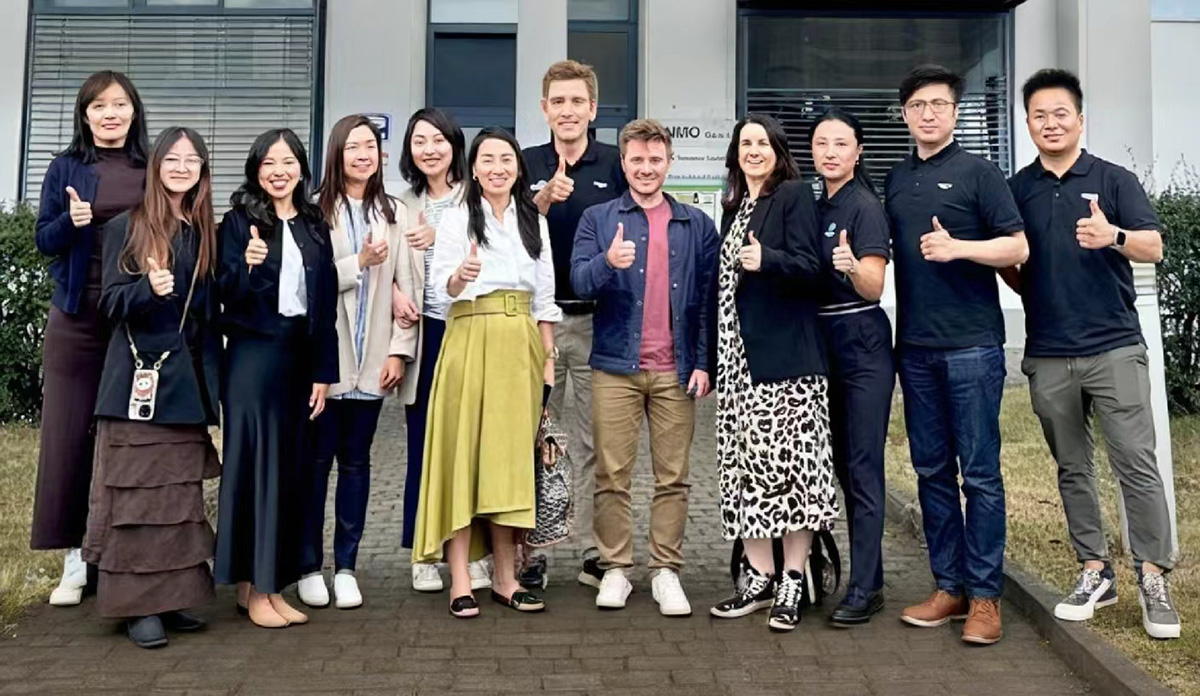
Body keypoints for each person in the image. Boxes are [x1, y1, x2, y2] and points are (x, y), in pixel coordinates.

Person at [1005, 68, 1179, 640]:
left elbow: (1154, 247)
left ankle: (1152, 575)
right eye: (1039, 115)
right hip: (1049, 352)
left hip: (1114, 347)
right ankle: (1095, 570)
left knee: (1136, 462)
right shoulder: (1017, 189)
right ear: (1027, 123)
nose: (1050, 123)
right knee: (1072, 467)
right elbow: (1012, 261)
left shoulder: (1114, 179)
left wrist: (1116, 238)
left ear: (1080, 119)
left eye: (1061, 113)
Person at [885, 65, 1028, 645]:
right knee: (931, 472)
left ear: (954, 112)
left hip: (972, 345)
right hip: (915, 348)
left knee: (982, 475)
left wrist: (959, 248)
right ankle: (950, 587)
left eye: (939, 104)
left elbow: (1016, 246)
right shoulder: (896, 179)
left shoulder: (981, 173)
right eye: (918, 105)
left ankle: (986, 597)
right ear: (904, 114)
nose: (928, 114)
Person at [570, 119, 717, 617]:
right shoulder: (598, 218)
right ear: (624, 162)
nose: (647, 168)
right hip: (615, 367)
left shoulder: (696, 224)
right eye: (637, 159)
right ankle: (615, 567)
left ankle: (665, 570)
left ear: (669, 162)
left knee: (673, 476)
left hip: (677, 369)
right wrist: (607, 262)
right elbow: (578, 281)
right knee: (612, 473)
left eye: (656, 159)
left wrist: (704, 363)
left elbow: (707, 301)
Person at [413, 127, 562, 619]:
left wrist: (547, 357)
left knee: (508, 463)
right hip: (468, 336)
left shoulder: (533, 220)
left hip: (519, 344)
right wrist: (461, 277)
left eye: (506, 159)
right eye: (488, 159)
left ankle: (505, 578)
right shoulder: (457, 216)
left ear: (518, 167)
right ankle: (460, 578)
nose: (498, 168)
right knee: (462, 458)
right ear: (473, 169)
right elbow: (441, 290)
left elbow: (544, 296)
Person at [84, 126, 220, 648]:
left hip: (185, 385)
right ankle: (136, 607)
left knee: (178, 500)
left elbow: (207, 317)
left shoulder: (202, 233)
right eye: (173, 158)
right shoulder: (127, 226)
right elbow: (110, 302)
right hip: (135, 382)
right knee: (136, 502)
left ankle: (171, 597)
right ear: (157, 165)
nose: (182, 168)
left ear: (202, 171)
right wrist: (147, 287)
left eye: (192, 160)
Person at [708, 114, 840, 633]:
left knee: (792, 474)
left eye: (763, 142)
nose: (754, 150)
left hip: (785, 366)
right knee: (746, 472)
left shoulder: (792, 195)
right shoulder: (734, 207)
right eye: (746, 143)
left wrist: (769, 259)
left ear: (778, 151)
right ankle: (759, 576)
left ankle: (792, 577)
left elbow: (812, 268)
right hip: (738, 368)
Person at [31, 70, 149, 607]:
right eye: (99, 105)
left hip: (133, 319)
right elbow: (44, 239)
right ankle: (76, 558)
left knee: (130, 437)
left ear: (133, 111)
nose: (110, 114)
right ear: (85, 115)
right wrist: (72, 222)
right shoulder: (66, 167)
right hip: (77, 318)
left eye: (119, 104)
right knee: (69, 437)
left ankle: (120, 550)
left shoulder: (150, 168)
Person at [214, 128, 339, 629]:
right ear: (256, 170)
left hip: (298, 358)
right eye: (269, 163)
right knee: (256, 472)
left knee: (287, 473)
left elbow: (324, 304)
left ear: (302, 169)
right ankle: (257, 590)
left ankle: (264, 586)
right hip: (253, 357)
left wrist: (324, 373)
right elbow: (223, 295)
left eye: (288, 162)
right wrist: (246, 269)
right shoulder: (238, 222)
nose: (279, 171)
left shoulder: (313, 223)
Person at [295, 114, 420, 610]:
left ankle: (346, 565)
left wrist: (399, 350)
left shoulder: (394, 211)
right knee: (315, 465)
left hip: (374, 360)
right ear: (336, 153)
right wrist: (359, 264)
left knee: (356, 463)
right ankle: (309, 565)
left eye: (370, 146)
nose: (363, 155)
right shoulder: (312, 211)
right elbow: (308, 281)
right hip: (327, 362)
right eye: (353, 147)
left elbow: (408, 284)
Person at [521, 59, 628, 589]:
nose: (567, 111)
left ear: (593, 108)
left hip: (594, 325)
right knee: (535, 439)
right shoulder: (522, 163)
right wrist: (540, 201)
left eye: (577, 102)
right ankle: (531, 552)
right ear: (544, 109)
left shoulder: (615, 164)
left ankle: (592, 550)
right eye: (558, 102)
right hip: (535, 325)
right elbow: (503, 234)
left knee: (592, 442)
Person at [392, 108, 492, 594]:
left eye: (438, 139)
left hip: (472, 326)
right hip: (427, 332)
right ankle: (423, 551)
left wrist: (445, 235)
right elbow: (386, 265)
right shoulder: (400, 203)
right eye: (419, 141)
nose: (429, 149)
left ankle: (475, 553)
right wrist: (395, 294)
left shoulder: (477, 195)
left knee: (473, 445)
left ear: (455, 144)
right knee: (424, 444)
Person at [810, 108, 896, 627]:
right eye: (822, 143)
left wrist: (852, 268)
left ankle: (865, 588)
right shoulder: (815, 205)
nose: (831, 152)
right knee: (839, 467)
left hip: (862, 343)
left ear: (858, 152)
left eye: (841, 143)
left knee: (862, 468)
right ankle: (871, 575)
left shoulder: (864, 207)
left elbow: (874, 285)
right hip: (821, 344)